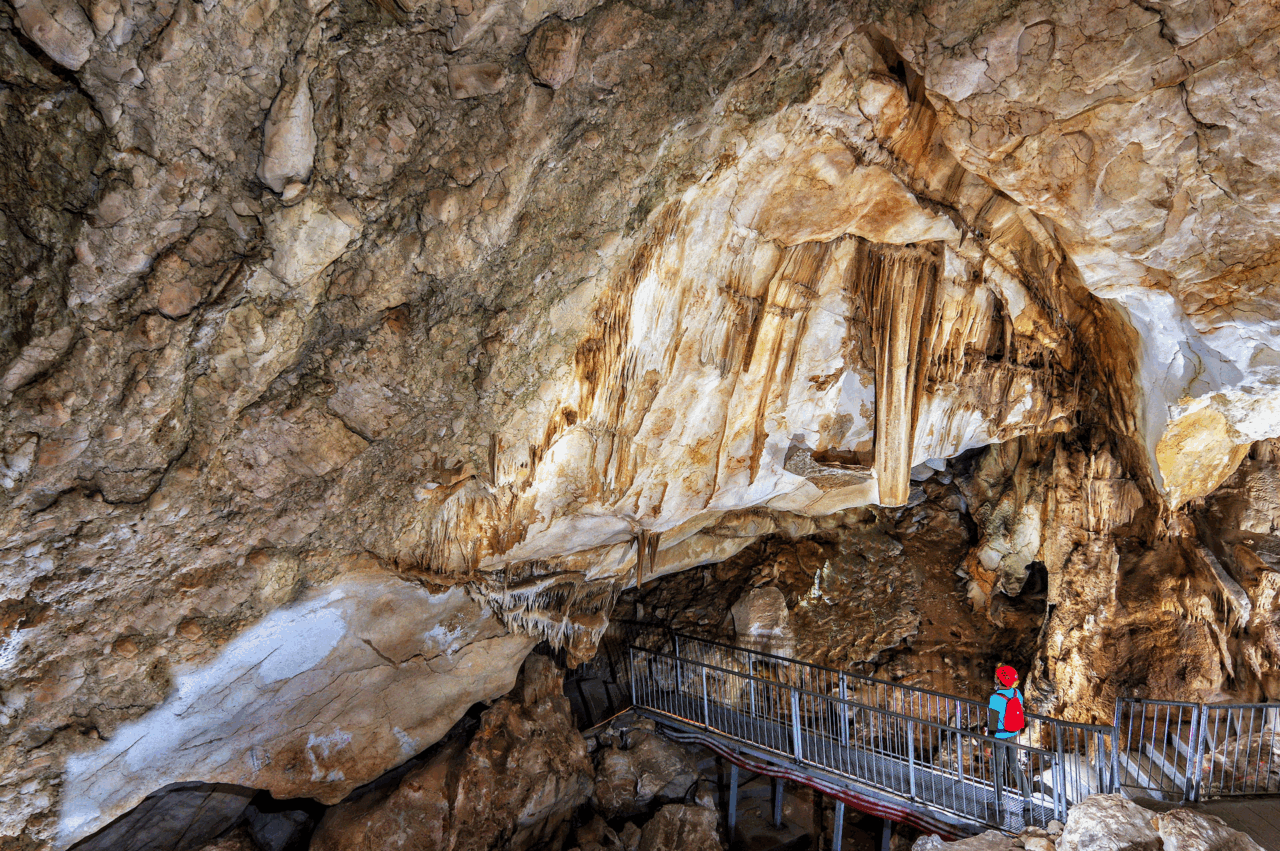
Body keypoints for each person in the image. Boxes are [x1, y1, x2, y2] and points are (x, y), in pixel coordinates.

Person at [986, 664, 1032, 817]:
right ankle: (1027, 799)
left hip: (999, 738)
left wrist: (988, 745)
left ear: (999, 680)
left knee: (998, 771)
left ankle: (998, 802)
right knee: (1014, 766)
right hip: (1013, 735)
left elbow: (992, 724)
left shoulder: (995, 698)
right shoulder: (1016, 693)